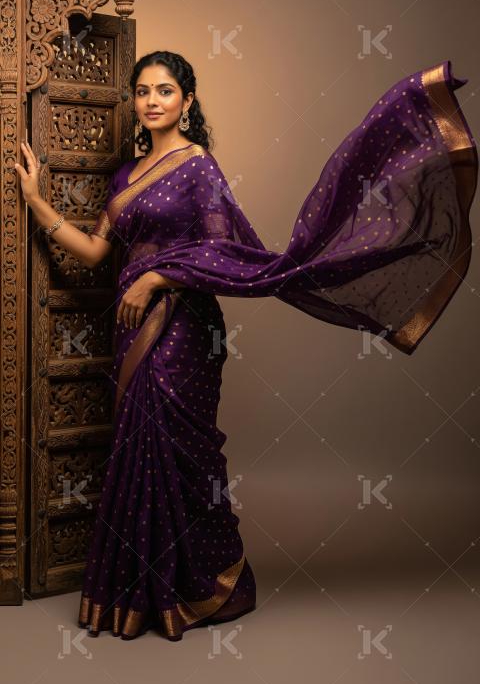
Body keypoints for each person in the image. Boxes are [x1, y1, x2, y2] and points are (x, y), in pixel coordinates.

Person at [15, 51, 478, 641]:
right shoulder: (123, 177)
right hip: (129, 328)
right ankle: (139, 593)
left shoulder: (198, 167)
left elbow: (220, 252)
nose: (151, 100)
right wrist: (35, 202)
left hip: (183, 328)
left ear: (186, 100)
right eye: (141, 91)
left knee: (183, 451)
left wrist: (161, 276)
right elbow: (98, 254)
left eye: (164, 90)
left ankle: (205, 586)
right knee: (134, 449)